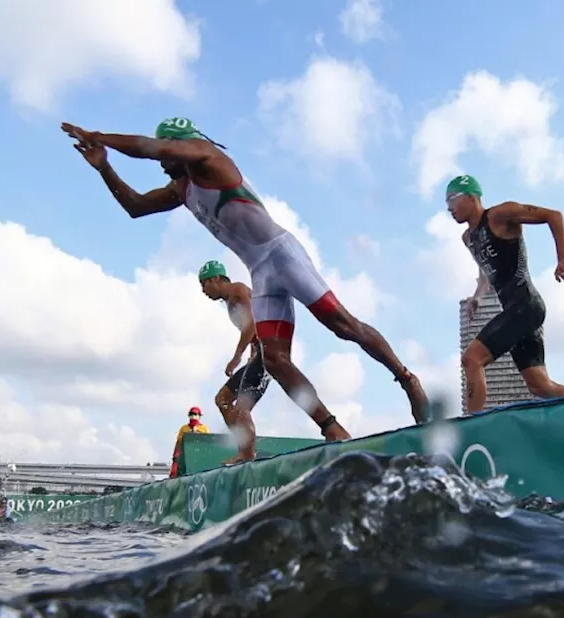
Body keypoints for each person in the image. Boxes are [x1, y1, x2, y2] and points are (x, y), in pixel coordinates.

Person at [61, 116, 430, 441]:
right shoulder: (181, 189)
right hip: (261, 272)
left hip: (283, 255)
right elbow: (136, 208)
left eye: (166, 155)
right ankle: (332, 428)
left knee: (342, 325)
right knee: (275, 360)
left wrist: (100, 135)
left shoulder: (210, 158)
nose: (161, 164)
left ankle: (406, 378)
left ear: (181, 147)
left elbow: (150, 147)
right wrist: (104, 167)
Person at [447, 175, 564, 412]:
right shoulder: (468, 238)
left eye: (451, 199)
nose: (449, 208)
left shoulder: (500, 215)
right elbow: (486, 271)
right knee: (540, 386)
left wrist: (562, 257)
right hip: (516, 311)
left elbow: (553, 215)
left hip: (526, 305)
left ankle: (471, 428)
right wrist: (477, 296)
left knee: (471, 359)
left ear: (470, 196)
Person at [196, 260, 269, 464]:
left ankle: (247, 455)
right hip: (260, 353)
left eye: (204, 284)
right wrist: (253, 351)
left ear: (216, 279)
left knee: (241, 409)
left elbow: (252, 325)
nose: (203, 290)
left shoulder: (237, 291)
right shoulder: (230, 299)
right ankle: (243, 451)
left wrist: (236, 357)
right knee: (223, 400)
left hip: (269, 353)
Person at [169, 406, 209, 478]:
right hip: (186, 454)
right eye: (191, 414)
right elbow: (179, 442)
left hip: (199, 453)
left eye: (195, 414)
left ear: (199, 416)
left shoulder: (204, 428)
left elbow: (207, 442)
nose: (193, 417)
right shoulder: (184, 428)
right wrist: (176, 455)